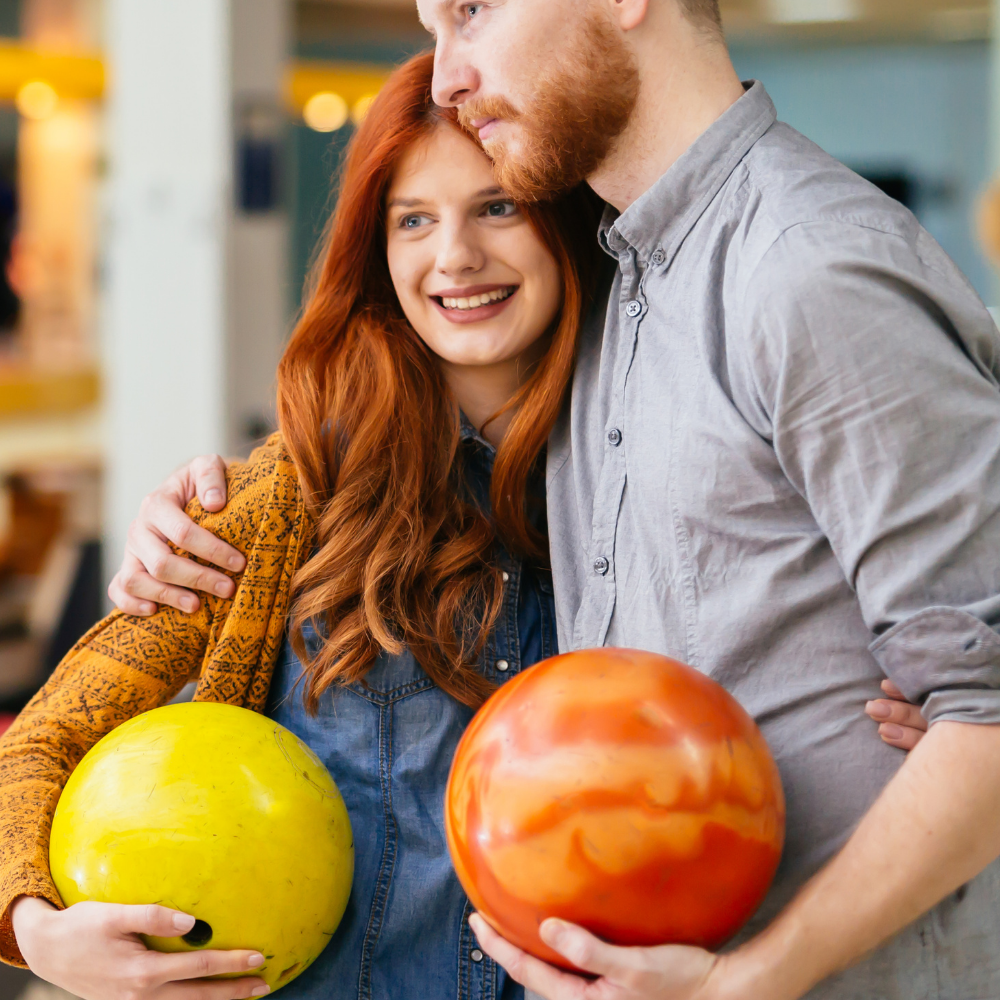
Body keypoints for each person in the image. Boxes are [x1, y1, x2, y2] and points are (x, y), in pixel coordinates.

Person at [119, 0, 1000, 998]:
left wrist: (748, 980)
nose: (445, 75)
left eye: (472, 11)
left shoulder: (805, 266)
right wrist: (218, 501)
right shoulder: (615, 295)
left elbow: (987, 701)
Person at [0, 52, 607, 1000]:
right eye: (414, 220)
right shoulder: (289, 498)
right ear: (378, 255)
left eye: (497, 207)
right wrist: (39, 932)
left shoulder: (643, 480)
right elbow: (39, 742)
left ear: (563, 221)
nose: (454, 256)